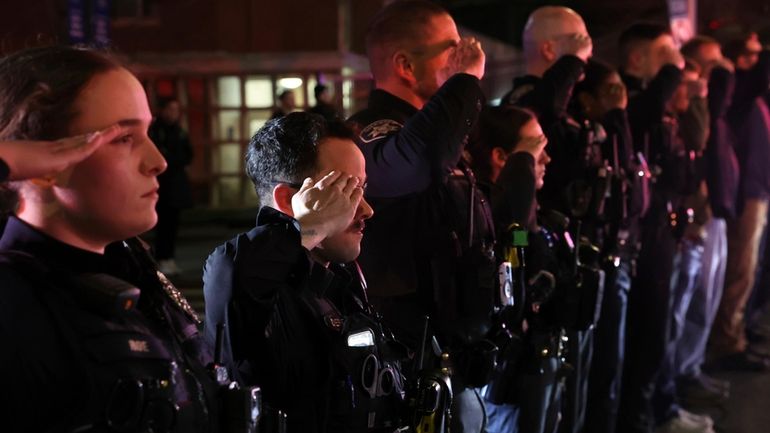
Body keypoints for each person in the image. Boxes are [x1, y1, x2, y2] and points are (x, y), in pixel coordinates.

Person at [0, 45, 224, 432]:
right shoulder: (13, 303)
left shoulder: (131, 268)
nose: (158, 160)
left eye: (148, 132)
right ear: (38, 162)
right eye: (123, 138)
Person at [203, 112, 407, 433]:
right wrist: (311, 226)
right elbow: (232, 270)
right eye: (346, 192)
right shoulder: (244, 279)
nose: (367, 209)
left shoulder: (339, 277)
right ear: (288, 199)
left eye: (362, 190)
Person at [347, 1, 492, 431]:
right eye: (452, 49)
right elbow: (419, 163)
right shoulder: (370, 131)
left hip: (453, 341)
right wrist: (464, 80)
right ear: (406, 65)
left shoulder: (438, 129)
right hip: (406, 352)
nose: (468, 53)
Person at [615, 23, 715, 433]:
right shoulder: (630, 101)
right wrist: (676, 69)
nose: (675, 64)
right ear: (638, 59)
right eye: (666, 56)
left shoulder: (661, 107)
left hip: (662, 233)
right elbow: (647, 109)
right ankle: (642, 419)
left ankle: (659, 411)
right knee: (644, 340)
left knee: (657, 337)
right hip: (640, 239)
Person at [503, 8, 599, 433]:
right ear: (550, 49)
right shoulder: (524, 106)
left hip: (562, 251)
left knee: (571, 393)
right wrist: (572, 64)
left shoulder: (567, 102)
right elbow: (544, 113)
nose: (588, 54)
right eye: (579, 42)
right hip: (530, 260)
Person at [468, 105, 560, 433]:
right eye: (536, 148)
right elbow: (509, 225)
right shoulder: (483, 210)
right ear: (501, 156)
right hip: (496, 373)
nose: (546, 159)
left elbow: (519, 240)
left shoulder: (518, 218)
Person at [570, 59, 641, 433]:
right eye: (610, 91)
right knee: (594, 370)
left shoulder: (614, 133)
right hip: (591, 265)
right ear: (585, 99)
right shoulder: (580, 138)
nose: (621, 99)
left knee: (612, 361)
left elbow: (629, 190)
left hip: (617, 256)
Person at [676, 35, 737, 401]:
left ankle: (691, 368)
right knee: (691, 303)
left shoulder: (709, 98)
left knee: (707, 299)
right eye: (711, 64)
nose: (719, 72)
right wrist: (698, 94)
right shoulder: (692, 99)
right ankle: (682, 376)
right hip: (694, 215)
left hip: (712, 206)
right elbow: (699, 136)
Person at [710, 32, 770, 371]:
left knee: (747, 272)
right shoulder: (741, 92)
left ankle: (738, 332)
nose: (757, 57)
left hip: (756, 190)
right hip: (747, 193)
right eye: (751, 52)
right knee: (739, 272)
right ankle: (728, 343)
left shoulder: (751, 96)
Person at [149, 97, 193, 276]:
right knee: (163, 225)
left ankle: (170, 258)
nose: (173, 113)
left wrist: (175, 159)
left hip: (176, 184)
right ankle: (161, 258)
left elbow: (189, 154)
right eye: (170, 109)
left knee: (173, 224)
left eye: (176, 109)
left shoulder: (179, 131)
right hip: (162, 185)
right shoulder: (156, 131)